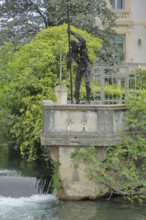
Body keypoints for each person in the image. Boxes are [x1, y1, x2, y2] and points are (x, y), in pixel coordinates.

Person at [66, 29, 91, 104]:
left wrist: (72, 32)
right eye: (73, 46)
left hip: (87, 66)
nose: (75, 47)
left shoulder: (82, 48)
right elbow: (68, 66)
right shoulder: (71, 53)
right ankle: (77, 99)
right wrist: (69, 61)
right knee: (77, 83)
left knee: (87, 82)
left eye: (76, 45)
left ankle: (88, 100)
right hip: (80, 67)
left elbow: (83, 40)